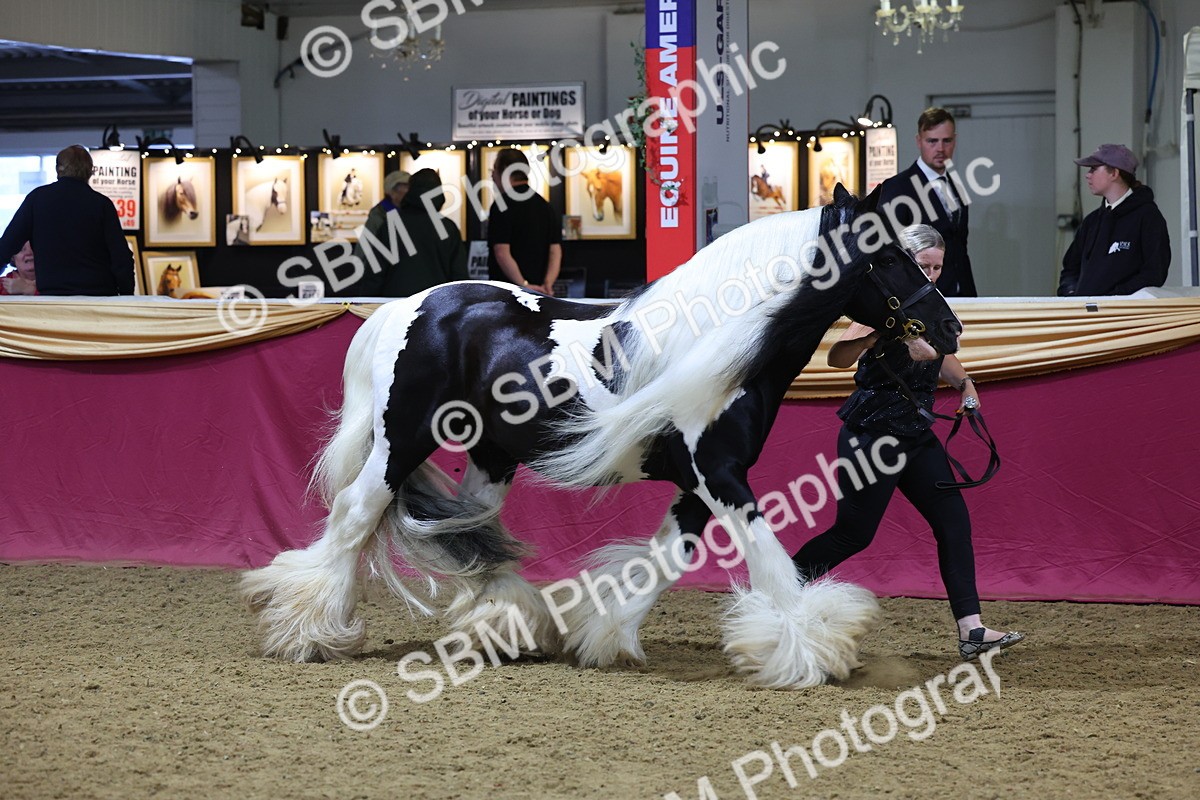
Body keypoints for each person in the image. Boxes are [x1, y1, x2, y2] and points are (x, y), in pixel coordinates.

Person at [791, 224, 1023, 661]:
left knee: (954, 524)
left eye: (938, 266)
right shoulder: (880, 307)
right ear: (908, 262)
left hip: (915, 435)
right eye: (924, 265)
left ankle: (971, 630)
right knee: (852, 535)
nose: (933, 274)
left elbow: (946, 361)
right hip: (872, 437)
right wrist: (876, 335)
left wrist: (967, 386)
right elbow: (838, 359)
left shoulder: (928, 306)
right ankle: (779, 591)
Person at [0, 145, 134, 295]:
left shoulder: (37, 199)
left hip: (52, 298)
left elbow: (6, 246)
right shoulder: (102, 204)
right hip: (98, 297)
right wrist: (126, 295)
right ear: (90, 171)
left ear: (58, 170)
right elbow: (121, 258)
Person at [879, 107, 977, 297]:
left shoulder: (955, 184)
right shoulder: (897, 187)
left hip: (962, 293)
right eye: (932, 141)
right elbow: (888, 252)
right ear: (919, 141)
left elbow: (959, 246)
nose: (940, 148)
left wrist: (969, 293)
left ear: (954, 140)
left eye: (946, 140)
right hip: (920, 299)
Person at [1058, 144, 1170, 296]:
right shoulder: (1091, 222)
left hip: (1123, 316)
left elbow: (1154, 273)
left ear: (1114, 173)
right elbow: (1070, 268)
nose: (1087, 175)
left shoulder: (1148, 217)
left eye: (1094, 169)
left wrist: (1115, 296)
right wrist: (1071, 293)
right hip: (1087, 315)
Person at [354, 168, 468, 297]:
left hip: (395, 306)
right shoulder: (448, 228)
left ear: (411, 192)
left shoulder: (390, 225)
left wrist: (367, 305)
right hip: (435, 307)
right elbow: (460, 277)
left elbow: (375, 275)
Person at [487, 149, 562, 294]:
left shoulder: (501, 205)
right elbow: (555, 251)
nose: (492, 175)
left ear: (504, 171)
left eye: (494, 169)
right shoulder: (544, 205)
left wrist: (523, 284)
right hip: (540, 293)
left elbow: (501, 252)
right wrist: (547, 284)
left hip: (508, 294)